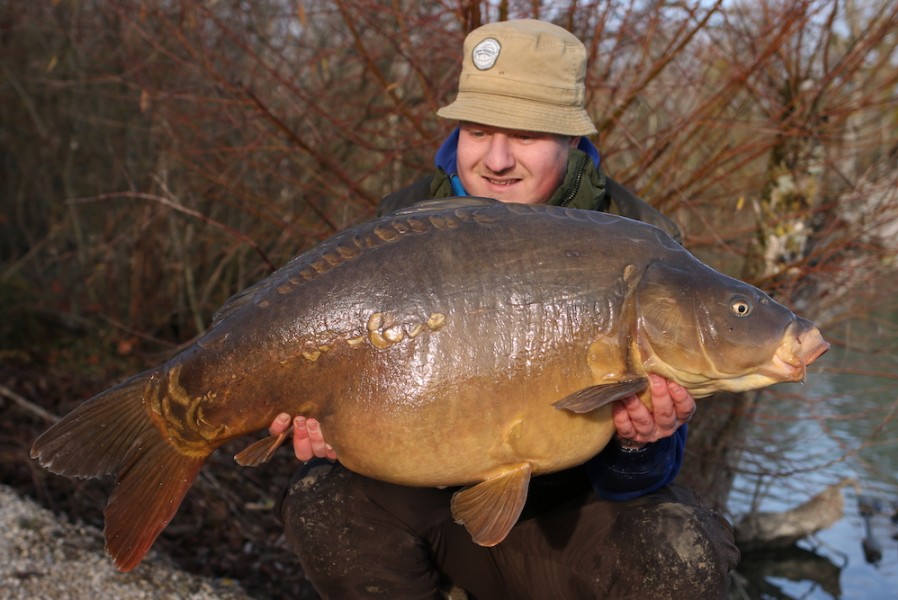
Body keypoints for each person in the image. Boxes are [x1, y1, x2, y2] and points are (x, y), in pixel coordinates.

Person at [269, 19, 739, 599]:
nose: (495, 159)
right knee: (322, 497)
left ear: (573, 141)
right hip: (432, 506)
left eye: (524, 135)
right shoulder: (403, 223)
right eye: (477, 130)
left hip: (566, 522)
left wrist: (639, 443)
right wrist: (334, 425)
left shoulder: (642, 242)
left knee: (679, 552)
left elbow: (638, 481)